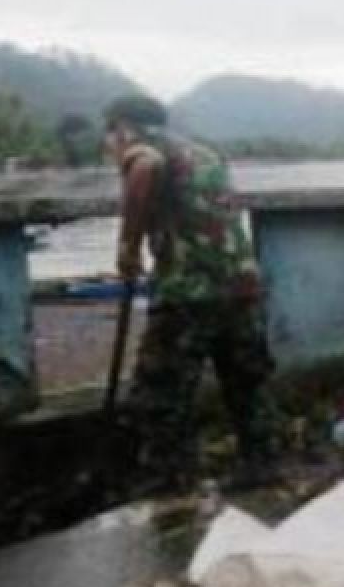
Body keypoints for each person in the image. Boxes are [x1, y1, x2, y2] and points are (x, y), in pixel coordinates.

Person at [104, 93, 281, 491]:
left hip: (189, 291)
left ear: (123, 126)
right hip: (241, 283)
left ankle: (172, 477)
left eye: (111, 134)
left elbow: (144, 166)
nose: (111, 143)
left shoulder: (145, 146)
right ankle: (262, 463)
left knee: (163, 389)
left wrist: (128, 245)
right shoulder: (205, 152)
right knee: (246, 382)